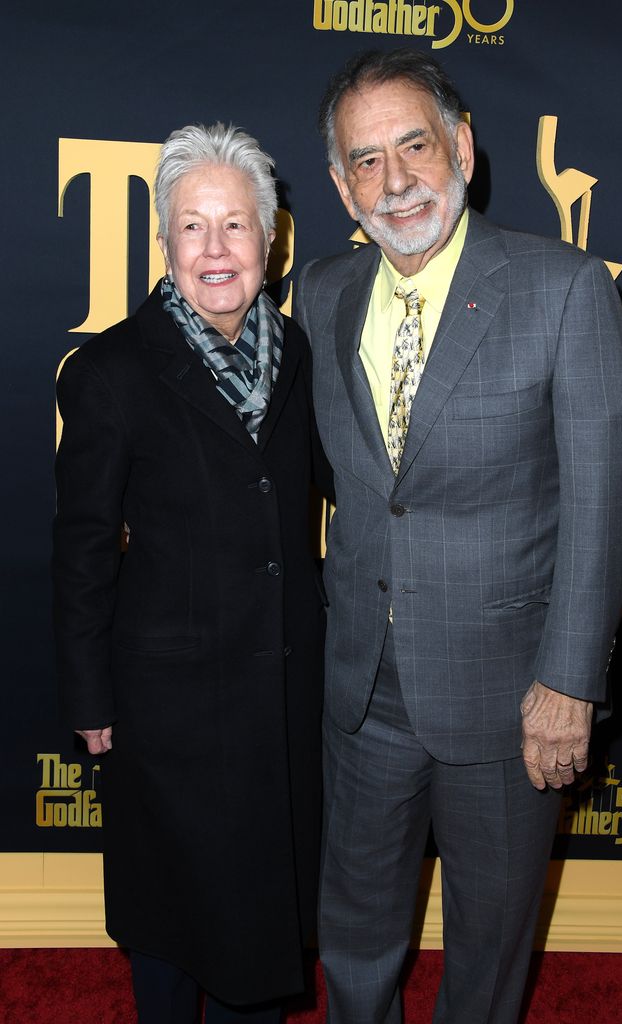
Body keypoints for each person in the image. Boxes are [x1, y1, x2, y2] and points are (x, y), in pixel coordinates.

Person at [295, 50, 622, 1024]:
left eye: (414, 145)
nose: (395, 180)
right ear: (338, 184)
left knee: (487, 940)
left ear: (462, 146)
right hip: (360, 685)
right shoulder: (321, 294)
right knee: (353, 925)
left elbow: (604, 502)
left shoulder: (561, 289)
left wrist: (568, 683)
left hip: (507, 692)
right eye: (365, 160)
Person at [53, 122, 331, 1024]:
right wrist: (91, 697)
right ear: (165, 243)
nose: (216, 250)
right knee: (172, 926)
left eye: (236, 225)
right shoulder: (112, 372)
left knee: (262, 917)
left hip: (282, 690)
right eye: (193, 227)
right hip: (166, 704)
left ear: (271, 238)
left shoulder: (302, 358)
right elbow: (85, 544)